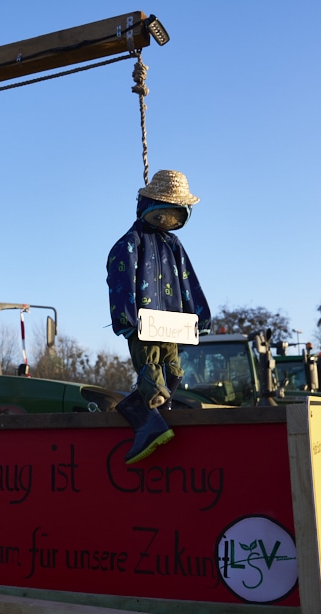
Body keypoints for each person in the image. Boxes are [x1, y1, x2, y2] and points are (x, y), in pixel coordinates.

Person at [106, 169, 211, 464]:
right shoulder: (129, 244)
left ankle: (155, 423)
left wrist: (199, 316)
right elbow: (121, 281)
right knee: (151, 373)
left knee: (174, 372)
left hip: (173, 325)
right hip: (146, 325)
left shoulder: (173, 246)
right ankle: (151, 426)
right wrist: (126, 319)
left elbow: (189, 280)